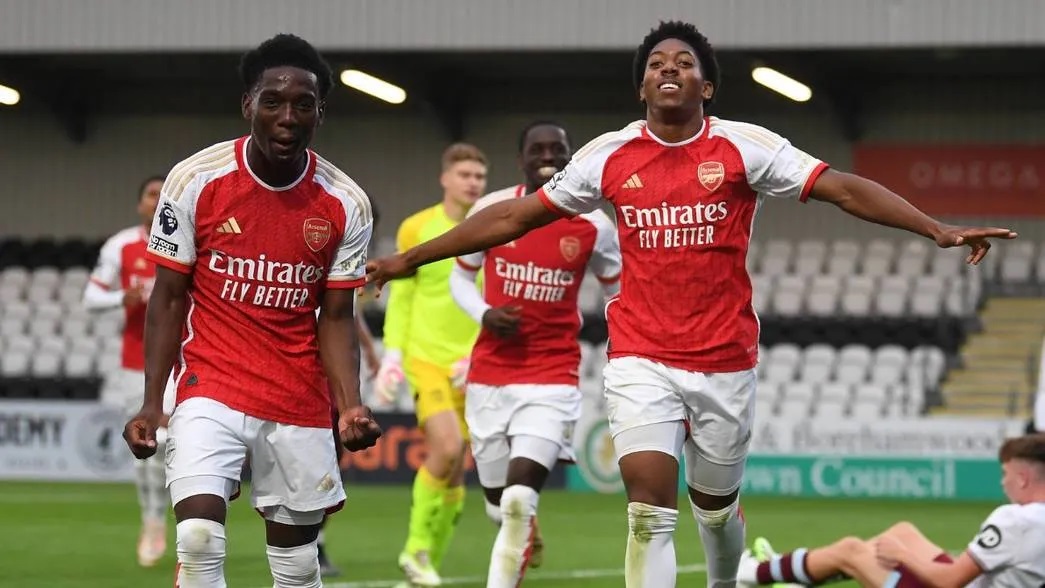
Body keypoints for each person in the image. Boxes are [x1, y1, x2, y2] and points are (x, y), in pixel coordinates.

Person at [365, 20, 1018, 588]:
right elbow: (514, 218)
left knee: (712, 510)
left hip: (723, 359)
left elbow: (841, 189)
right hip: (640, 356)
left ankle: (721, 579)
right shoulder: (608, 156)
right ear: (641, 88)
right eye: (655, 65)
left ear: (705, 87)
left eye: (683, 64)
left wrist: (933, 227)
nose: (667, 71)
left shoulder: (742, 147)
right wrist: (404, 259)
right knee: (647, 507)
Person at [121, 33, 382, 588]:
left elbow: (336, 316)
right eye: (273, 102)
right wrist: (151, 402)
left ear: (320, 112)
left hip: (297, 396)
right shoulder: (196, 180)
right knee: (197, 538)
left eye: (303, 104)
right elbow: (168, 298)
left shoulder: (345, 202)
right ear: (248, 105)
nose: (287, 116)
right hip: (209, 385)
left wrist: (350, 406)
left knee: (295, 566)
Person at [450, 121, 622, 587]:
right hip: (490, 376)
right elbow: (459, 277)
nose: (548, 155)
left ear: (571, 156)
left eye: (558, 149)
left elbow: (618, 292)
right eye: (537, 149)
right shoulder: (492, 209)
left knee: (517, 502)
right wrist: (485, 315)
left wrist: (624, 346)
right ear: (521, 158)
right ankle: (523, 532)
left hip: (553, 376)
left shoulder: (594, 225)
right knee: (496, 504)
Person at [373, 142, 488, 586]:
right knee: (446, 448)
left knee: (457, 469)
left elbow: (496, 293)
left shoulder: (492, 228)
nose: (473, 183)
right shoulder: (416, 228)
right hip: (427, 359)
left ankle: (425, 567)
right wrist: (393, 356)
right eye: (465, 175)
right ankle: (415, 547)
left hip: (472, 364)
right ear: (445, 178)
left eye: (479, 176)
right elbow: (402, 294)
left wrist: (479, 351)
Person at [738, 433, 1045, 587]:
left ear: (1022, 477)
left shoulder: (1016, 519)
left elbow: (950, 581)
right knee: (904, 532)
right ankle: (793, 571)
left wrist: (903, 557)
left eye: (1005, 474)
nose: (1003, 482)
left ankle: (753, 573)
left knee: (851, 550)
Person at [84, 175, 175, 567]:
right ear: (140, 204)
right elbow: (90, 297)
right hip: (133, 362)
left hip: (179, 359)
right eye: (150, 195)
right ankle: (153, 520)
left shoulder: (189, 242)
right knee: (146, 447)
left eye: (162, 195)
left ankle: (185, 524)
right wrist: (123, 296)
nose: (156, 202)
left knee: (173, 444)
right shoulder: (121, 246)